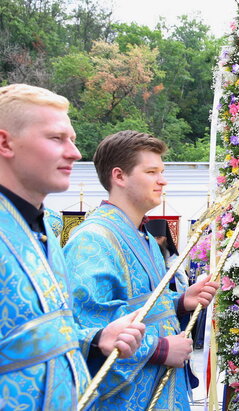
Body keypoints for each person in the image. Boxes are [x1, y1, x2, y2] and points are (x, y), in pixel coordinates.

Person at [0, 84, 145, 409]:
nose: (75, 153)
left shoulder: (42, 228)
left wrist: (95, 339)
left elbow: (37, 334)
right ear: (5, 142)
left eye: (73, 140)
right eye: (56, 138)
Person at [64, 130, 220, 409]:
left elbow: (141, 304)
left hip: (159, 388)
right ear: (119, 176)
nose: (162, 180)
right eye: (151, 171)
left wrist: (182, 301)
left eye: (161, 171)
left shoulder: (145, 237)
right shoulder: (92, 240)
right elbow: (85, 326)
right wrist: (160, 349)